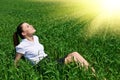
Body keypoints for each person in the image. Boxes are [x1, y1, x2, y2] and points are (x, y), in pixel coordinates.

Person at [13, 22, 95, 72]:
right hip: (42, 66)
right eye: (27, 26)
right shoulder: (21, 46)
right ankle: (95, 76)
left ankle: (92, 73)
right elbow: (16, 62)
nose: (31, 25)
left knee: (74, 54)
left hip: (49, 61)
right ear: (23, 33)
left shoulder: (35, 38)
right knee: (74, 57)